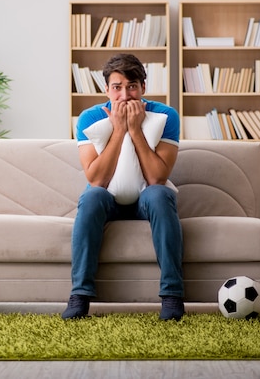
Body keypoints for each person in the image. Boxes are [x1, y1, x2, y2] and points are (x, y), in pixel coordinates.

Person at [62, 53, 184, 321]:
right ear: (106, 90)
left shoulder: (166, 115)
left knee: (160, 195)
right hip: (108, 201)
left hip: (146, 199)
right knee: (92, 196)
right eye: (117, 87)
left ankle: (173, 296)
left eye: (132, 86)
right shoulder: (88, 118)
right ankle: (79, 295)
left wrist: (136, 129)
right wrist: (118, 131)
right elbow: (96, 179)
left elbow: (156, 178)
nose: (125, 96)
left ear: (143, 88)